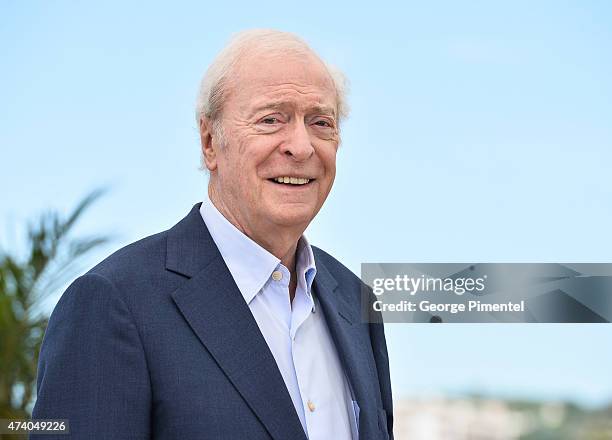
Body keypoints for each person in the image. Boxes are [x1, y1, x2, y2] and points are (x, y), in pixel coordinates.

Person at [31, 29, 393, 440]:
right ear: (209, 142)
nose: (301, 146)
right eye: (271, 119)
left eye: (320, 122)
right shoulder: (115, 303)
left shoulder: (356, 302)